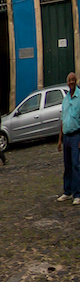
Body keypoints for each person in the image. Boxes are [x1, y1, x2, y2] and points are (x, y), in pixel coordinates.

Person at [59, 72, 80, 203]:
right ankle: (67, 191)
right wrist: (60, 139)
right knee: (67, 165)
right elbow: (62, 119)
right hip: (66, 136)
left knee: (75, 165)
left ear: (76, 81)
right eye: (69, 80)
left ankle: (77, 194)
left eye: (73, 80)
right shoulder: (65, 98)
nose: (71, 82)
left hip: (76, 135)